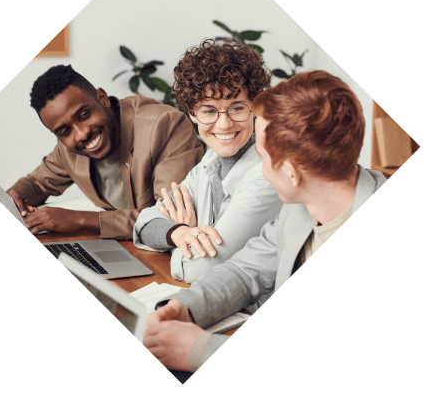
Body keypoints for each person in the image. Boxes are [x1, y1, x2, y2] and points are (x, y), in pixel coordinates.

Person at [142, 69, 387, 372]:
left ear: (292, 173)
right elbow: (245, 271)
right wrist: (185, 307)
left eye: (262, 155)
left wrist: (200, 350)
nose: (259, 167)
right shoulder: (300, 207)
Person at [133, 38, 283, 284]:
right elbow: (144, 222)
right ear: (192, 114)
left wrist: (174, 241)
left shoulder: (266, 176)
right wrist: (179, 232)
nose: (224, 124)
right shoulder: (209, 163)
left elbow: (198, 271)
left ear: (255, 107)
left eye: (237, 108)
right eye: (209, 111)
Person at [6, 64, 203, 239]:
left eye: (84, 115)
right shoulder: (68, 149)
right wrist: (14, 198)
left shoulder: (165, 125)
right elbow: (37, 184)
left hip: (178, 251)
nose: (81, 134)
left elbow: (169, 217)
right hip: (127, 247)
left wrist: (80, 219)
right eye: (65, 131)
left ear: (103, 98)